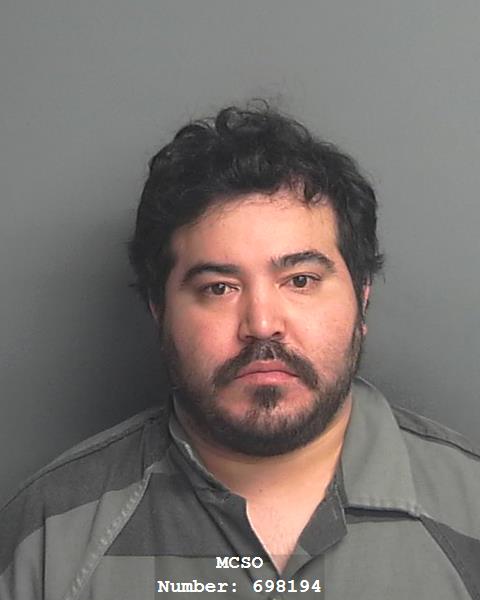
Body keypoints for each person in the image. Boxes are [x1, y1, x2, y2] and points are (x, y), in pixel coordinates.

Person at [1, 102, 479, 600]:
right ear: (159, 311)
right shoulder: (50, 536)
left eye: (300, 280)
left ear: (362, 299)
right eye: (219, 288)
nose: (262, 325)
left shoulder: (470, 512)